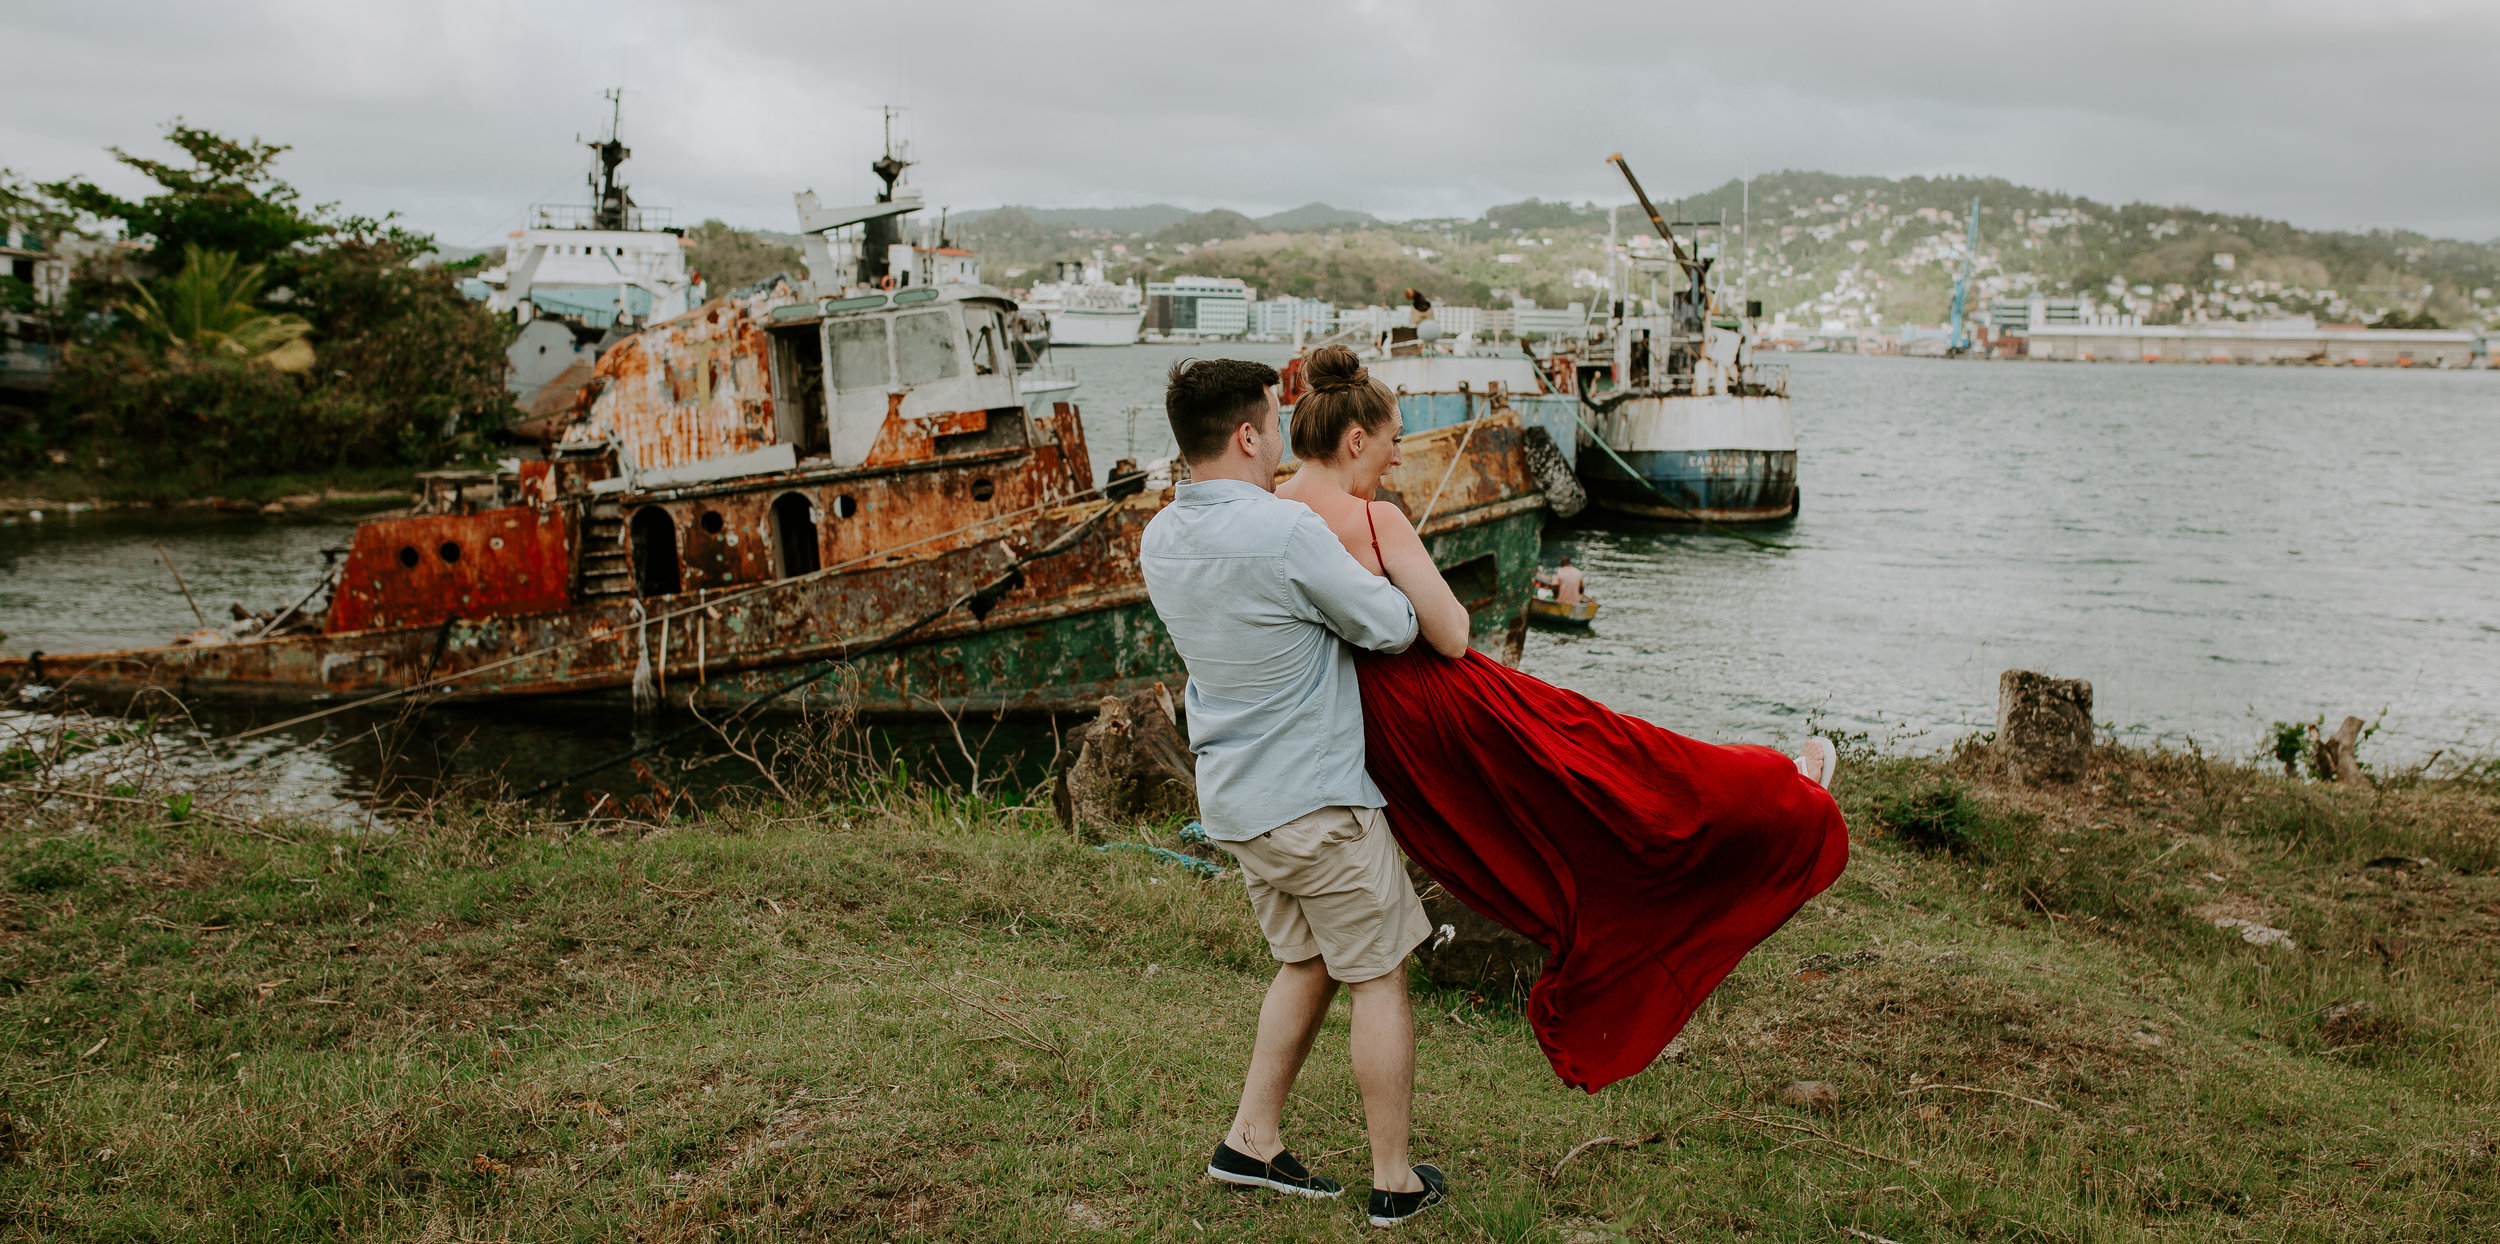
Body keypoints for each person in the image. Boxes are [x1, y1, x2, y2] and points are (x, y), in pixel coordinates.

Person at [1275, 345, 1851, 1093]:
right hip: (1441, 705)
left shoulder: (1271, 513)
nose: (1394, 458)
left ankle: (1767, 788)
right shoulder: (1375, 520)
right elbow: (1450, 633)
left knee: (1541, 826)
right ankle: (1781, 786)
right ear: (1356, 440)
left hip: (1373, 741)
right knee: (1614, 759)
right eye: (1391, 440)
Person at [1138, 357, 1451, 1227]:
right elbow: (1390, 626)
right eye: (1275, 424)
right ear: (1247, 435)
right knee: (1379, 977)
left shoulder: (1159, 538)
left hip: (1237, 801)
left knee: (1305, 961)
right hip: (1315, 802)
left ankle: (1252, 1140)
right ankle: (1395, 1182)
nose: (1283, 438)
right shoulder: (1283, 532)